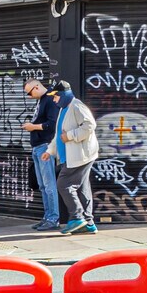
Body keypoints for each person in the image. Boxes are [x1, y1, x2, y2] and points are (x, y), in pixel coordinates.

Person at [51, 80, 99, 235]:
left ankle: (77, 217)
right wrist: (50, 150)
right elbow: (59, 134)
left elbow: (90, 125)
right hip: (72, 156)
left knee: (63, 183)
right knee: (83, 189)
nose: (54, 100)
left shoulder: (77, 106)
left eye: (56, 96)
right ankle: (89, 223)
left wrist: (71, 136)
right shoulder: (64, 109)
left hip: (81, 155)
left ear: (63, 94)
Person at [23, 78, 62, 231]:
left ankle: (53, 218)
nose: (29, 96)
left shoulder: (50, 100)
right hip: (37, 147)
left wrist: (33, 127)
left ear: (37, 87)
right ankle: (47, 216)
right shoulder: (41, 100)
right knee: (42, 186)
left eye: (29, 93)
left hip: (45, 147)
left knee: (49, 184)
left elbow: (52, 124)